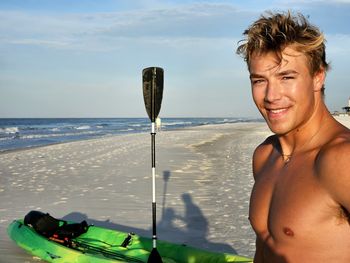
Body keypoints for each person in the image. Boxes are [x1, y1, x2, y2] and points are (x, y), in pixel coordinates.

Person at [236, 11, 350, 262]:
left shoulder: (341, 159)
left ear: (317, 77)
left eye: (286, 77)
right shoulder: (265, 155)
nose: (271, 96)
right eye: (259, 81)